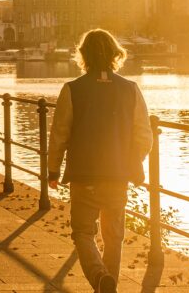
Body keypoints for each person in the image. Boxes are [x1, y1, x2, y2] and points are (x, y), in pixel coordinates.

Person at [48, 29, 152, 293]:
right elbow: (144, 134)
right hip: (118, 175)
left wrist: (53, 170)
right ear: (115, 54)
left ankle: (99, 277)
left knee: (83, 233)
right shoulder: (131, 90)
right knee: (114, 236)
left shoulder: (72, 90)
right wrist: (132, 161)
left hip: (84, 176)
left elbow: (59, 134)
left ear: (84, 56)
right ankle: (109, 286)